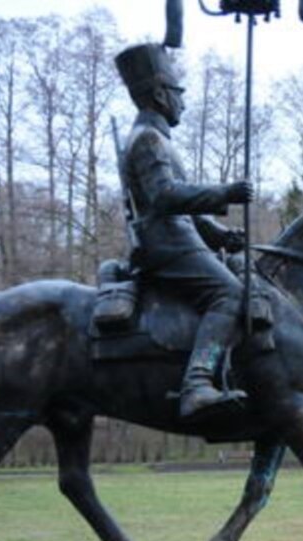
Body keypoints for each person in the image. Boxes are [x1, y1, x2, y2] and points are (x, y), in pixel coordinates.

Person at [114, 42, 254, 420]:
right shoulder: (147, 139)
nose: (183, 103)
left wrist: (220, 236)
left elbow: (185, 213)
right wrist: (225, 192)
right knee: (230, 295)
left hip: (179, 240)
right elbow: (165, 197)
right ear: (160, 93)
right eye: (179, 94)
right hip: (166, 247)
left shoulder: (158, 140)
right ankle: (197, 383)